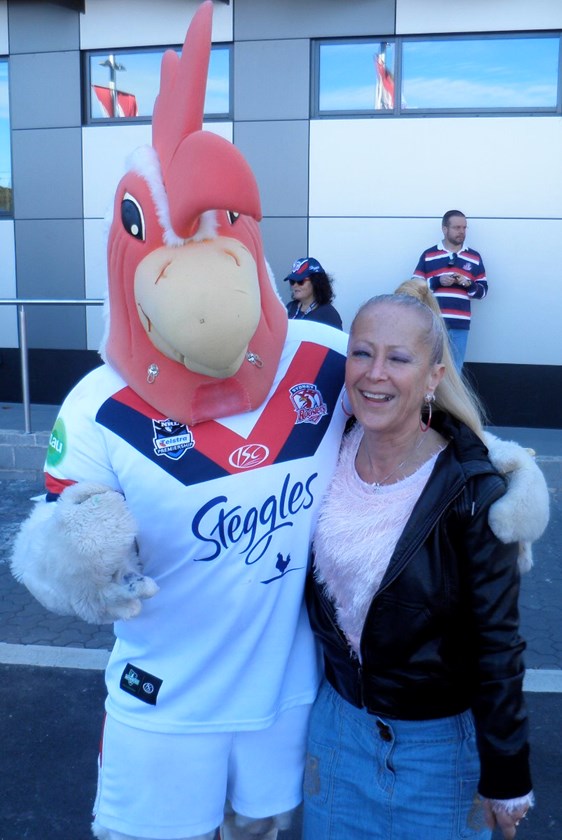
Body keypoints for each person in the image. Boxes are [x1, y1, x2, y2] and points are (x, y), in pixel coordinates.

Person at [303, 293, 543, 840]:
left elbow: (498, 643)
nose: (374, 374)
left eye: (398, 359)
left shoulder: (473, 490)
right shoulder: (325, 451)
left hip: (438, 755)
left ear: (434, 375)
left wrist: (507, 776)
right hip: (337, 733)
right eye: (362, 354)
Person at [412, 210, 487, 371]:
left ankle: (449, 398)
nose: (462, 232)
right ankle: (428, 397)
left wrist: (469, 285)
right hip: (433, 324)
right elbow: (414, 288)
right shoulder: (429, 255)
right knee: (428, 368)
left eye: (464, 228)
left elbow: (483, 292)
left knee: (454, 371)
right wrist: (438, 281)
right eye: (457, 227)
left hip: (460, 325)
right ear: (444, 229)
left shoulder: (474, 257)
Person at [284, 257, 343, 329]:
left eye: (300, 281)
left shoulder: (329, 315)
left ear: (316, 282)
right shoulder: (290, 307)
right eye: (292, 281)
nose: (295, 285)